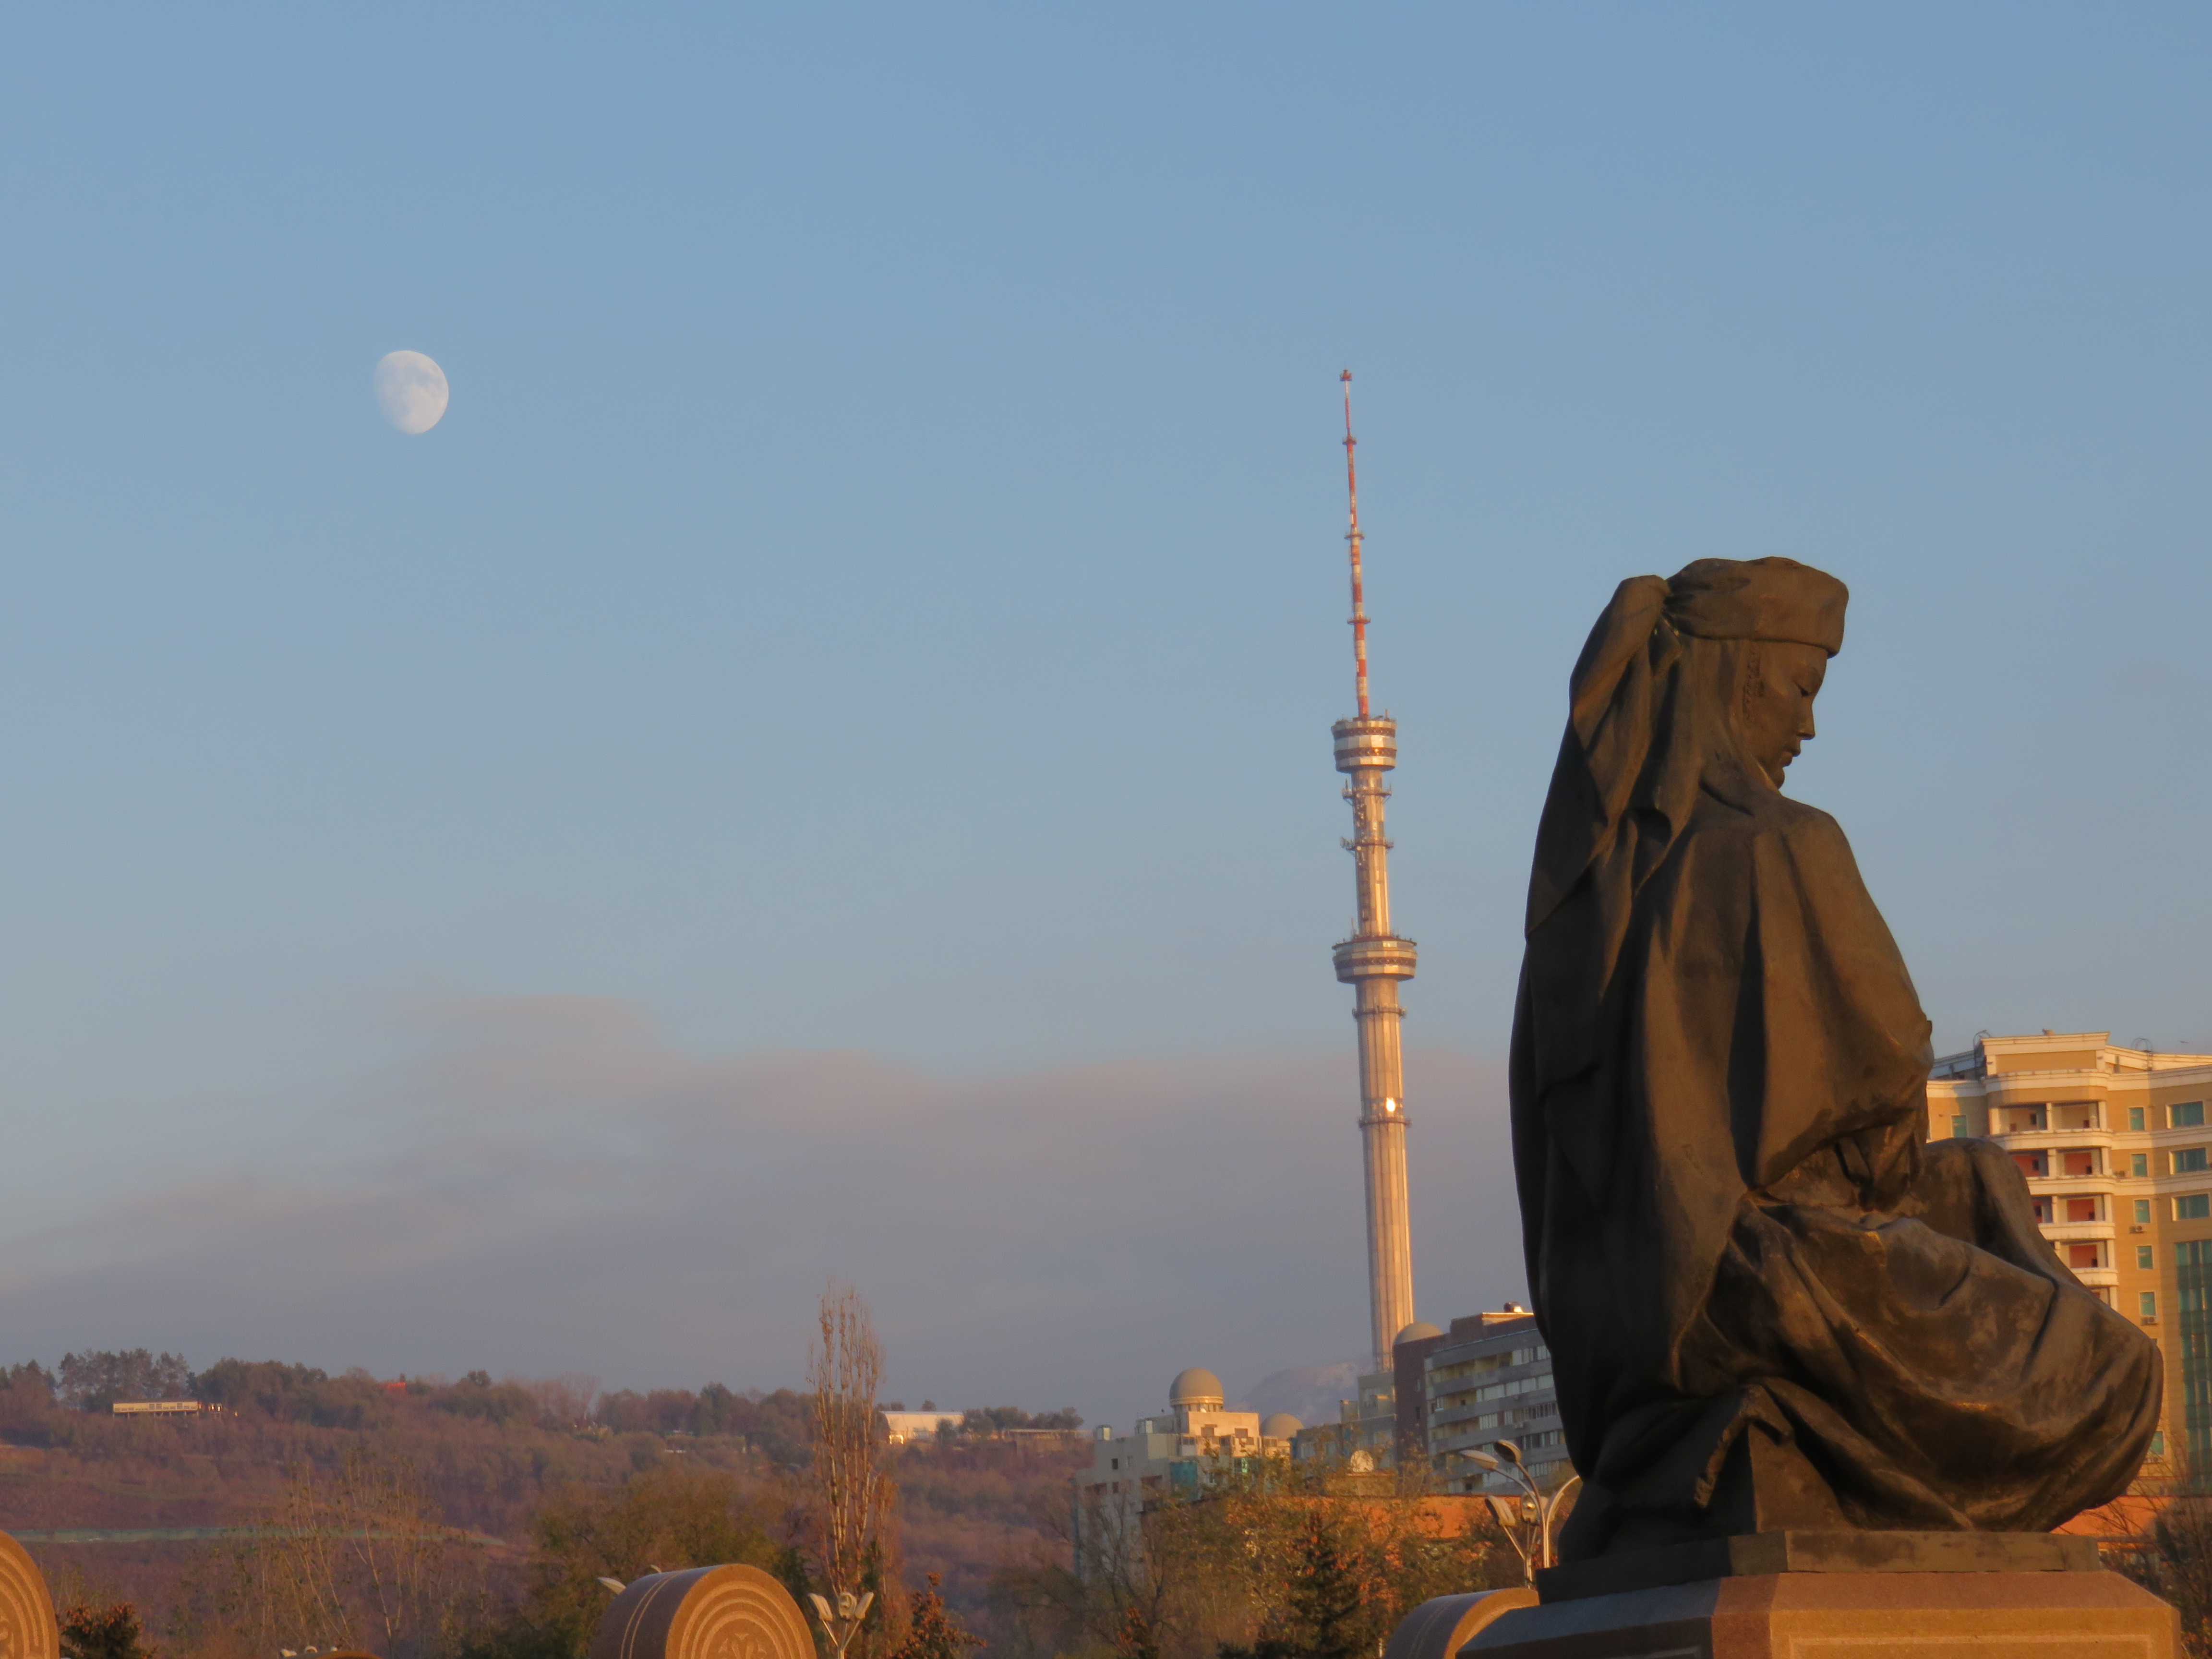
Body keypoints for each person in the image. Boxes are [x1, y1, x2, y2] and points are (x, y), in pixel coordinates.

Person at [1509, 557, 2160, 1561]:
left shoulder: (1588, 906)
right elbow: (1878, 1118)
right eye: (1801, 688)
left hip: (1634, 1328)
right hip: (1754, 1287)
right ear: (1734, 675)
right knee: (2109, 1375)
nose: (1807, 728)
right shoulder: (1780, 846)